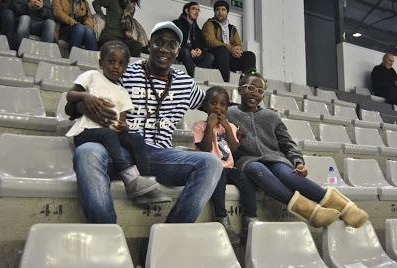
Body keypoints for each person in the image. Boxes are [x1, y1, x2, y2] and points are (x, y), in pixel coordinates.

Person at [65, 21, 223, 223]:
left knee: (211, 163)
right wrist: (83, 106)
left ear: (177, 51)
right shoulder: (124, 71)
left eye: (171, 44)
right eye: (159, 42)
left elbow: (213, 105)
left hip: (160, 156)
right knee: (87, 152)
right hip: (122, 150)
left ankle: (173, 232)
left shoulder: (186, 83)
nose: (164, 49)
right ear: (149, 45)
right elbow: (71, 107)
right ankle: (105, 232)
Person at [227, 70, 369, 228]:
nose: (255, 93)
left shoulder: (271, 116)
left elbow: (287, 143)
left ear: (263, 95)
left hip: (275, 158)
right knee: (255, 168)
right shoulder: (230, 113)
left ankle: (345, 207)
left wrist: (297, 162)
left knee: (287, 175)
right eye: (250, 88)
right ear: (240, 89)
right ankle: (312, 212)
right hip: (248, 161)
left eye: (260, 91)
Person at [66, 40, 170, 204]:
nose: (116, 67)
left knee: (135, 138)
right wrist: (86, 96)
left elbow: (121, 122)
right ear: (101, 62)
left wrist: (124, 126)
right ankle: (130, 180)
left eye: (121, 64)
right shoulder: (92, 76)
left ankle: (147, 182)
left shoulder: (122, 92)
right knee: (107, 133)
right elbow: (70, 95)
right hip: (86, 132)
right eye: (111, 61)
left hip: (110, 134)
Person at [192, 86, 257, 243]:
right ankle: (221, 218)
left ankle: (250, 221)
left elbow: (234, 149)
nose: (218, 107)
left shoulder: (231, 126)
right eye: (213, 103)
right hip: (213, 169)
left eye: (222, 105)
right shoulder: (199, 126)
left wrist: (227, 127)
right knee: (218, 184)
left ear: (227, 109)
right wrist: (210, 127)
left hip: (229, 168)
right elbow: (206, 148)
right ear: (205, 106)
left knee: (247, 183)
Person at [202, 0, 256, 82]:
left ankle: (249, 82)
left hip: (229, 58)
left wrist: (237, 51)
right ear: (214, 12)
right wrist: (231, 49)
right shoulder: (209, 24)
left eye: (223, 10)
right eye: (217, 10)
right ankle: (226, 82)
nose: (220, 12)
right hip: (216, 56)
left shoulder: (232, 28)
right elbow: (211, 41)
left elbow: (238, 44)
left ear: (227, 12)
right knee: (222, 49)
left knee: (250, 55)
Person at [173, 2, 214, 77]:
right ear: (186, 11)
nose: (197, 12)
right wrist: (187, 49)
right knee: (185, 51)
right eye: (194, 9)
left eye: (198, 10)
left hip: (193, 55)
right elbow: (173, 40)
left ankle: (197, 75)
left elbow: (203, 44)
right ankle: (193, 77)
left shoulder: (197, 29)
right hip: (181, 51)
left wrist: (199, 50)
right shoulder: (177, 23)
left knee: (210, 57)